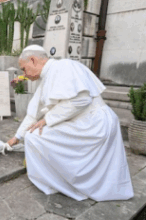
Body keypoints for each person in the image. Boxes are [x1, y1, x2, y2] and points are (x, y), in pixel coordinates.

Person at [7, 45, 134, 202]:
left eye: (24, 69)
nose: (24, 74)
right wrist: (17, 137)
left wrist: (47, 119)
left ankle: (60, 181)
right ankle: (60, 178)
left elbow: (81, 99)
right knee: (33, 135)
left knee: (35, 137)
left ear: (33, 60)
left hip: (94, 124)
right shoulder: (47, 77)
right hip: (83, 122)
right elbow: (33, 113)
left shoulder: (64, 66)